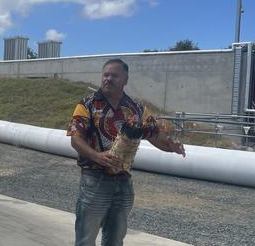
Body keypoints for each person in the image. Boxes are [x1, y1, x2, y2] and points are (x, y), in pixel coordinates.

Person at [67, 58, 185, 246]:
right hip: (94, 180)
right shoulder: (87, 104)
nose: (108, 79)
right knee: (85, 238)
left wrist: (171, 146)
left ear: (125, 79)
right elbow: (75, 138)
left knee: (115, 238)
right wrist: (97, 156)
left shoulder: (136, 108)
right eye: (105, 75)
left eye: (114, 75)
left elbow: (154, 135)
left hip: (123, 180)